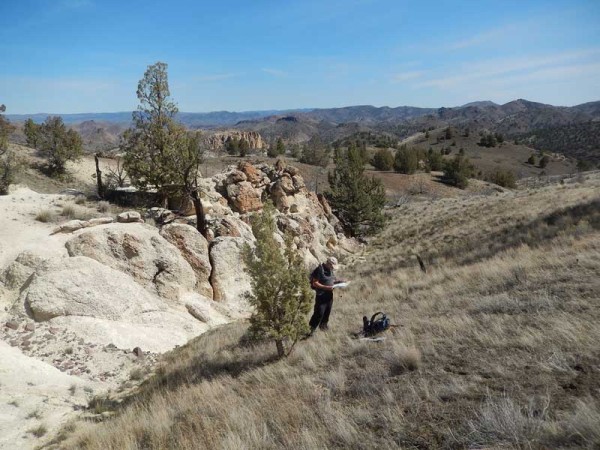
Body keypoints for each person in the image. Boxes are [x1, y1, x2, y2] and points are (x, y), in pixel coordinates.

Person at [308, 256, 346, 333]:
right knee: (319, 313)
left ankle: (323, 327)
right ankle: (310, 330)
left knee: (327, 312)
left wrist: (339, 282)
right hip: (321, 295)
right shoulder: (319, 269)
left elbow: (331, 280)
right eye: (332, 266)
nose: (333, 268)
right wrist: (326, 287)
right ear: (328, 263)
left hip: (329, 295)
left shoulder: (330, 270)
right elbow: (315, 283)